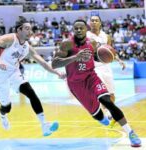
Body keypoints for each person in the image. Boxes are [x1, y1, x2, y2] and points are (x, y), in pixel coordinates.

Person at [52, 19, 141, 147]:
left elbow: (94, 56)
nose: (78, 30)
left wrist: (106, 57)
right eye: (76, 28)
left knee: (107, 101)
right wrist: (75, 58)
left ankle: (131, 133)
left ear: (86, 29)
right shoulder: (67, 44)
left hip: (91, 76)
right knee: (97, 115)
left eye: (81, 28)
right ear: (73, 30)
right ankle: (102, 119)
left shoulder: (92, 43)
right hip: (76, 84)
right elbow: (54, 63)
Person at [0, 16, 65, 136]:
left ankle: (45, 125)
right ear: (19, 30)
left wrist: (57, 72)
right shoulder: (9, 39)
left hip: (14, 73)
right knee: (7, 107)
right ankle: (2, 115)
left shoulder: (27, 47)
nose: (30, 31)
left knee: (31, 93)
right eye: (27, 29)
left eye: (30, 29)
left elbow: (42, 62)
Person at [87, 15, 125, 124]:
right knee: (102, 94)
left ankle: (110, 112)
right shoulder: (86, 36)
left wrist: (119, 60)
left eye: (96, 20)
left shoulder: (106, 36)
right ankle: (106, 113)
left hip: (106, 67)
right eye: (92, 20)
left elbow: (111, 51)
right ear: (89, 23)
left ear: (100, 23)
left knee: (112, 94)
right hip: (94, 68)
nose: (94, 22)